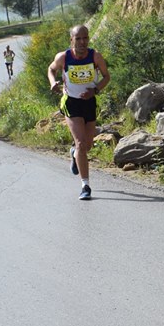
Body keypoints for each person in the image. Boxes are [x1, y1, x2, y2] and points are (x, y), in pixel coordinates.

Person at [47, 25, 110, 200]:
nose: (82, 42)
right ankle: (85, 186)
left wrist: (95, 91)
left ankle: (74, 154)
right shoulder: (64, 57)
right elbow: (51, 69)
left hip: (89, 102)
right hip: (71, 103)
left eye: (85, 38)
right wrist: (53, 82)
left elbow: (107, 76)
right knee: (82, 143)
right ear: (71, 40)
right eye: (78, 39)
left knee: (87, 146)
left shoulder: (95, 56)